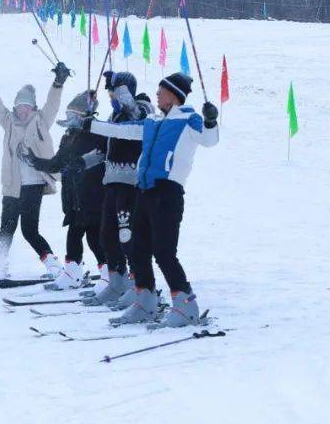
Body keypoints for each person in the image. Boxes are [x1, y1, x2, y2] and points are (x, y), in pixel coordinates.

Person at [86, 72, 219, 327]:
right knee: (137, 248)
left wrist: (211, 121)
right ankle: (145, 300)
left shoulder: (188, 119)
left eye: (161, 91)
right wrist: (90, 123)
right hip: (145, 191)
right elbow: (121, 130)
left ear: (174, 95)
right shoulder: (153, 122)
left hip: (167, 191)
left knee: (164, 252)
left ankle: (185, 306)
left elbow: (209, 140)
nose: (157, 95)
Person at [0, 58, 69, 279]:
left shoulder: (41, 120)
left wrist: (58, 83)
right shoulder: (8, 122)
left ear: (33, 108)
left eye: (26, 106)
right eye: (19, 106)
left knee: (29, 230)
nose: (22, 110)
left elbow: (52, 103)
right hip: (12, 184)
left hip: (34, 184)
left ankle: (53, 266)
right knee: (6, 227)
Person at [81, 71, 154, 307]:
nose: (110, 95)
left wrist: (119, 86)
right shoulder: (115, 114)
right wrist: (82, 162)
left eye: (113, 90)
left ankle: (138, 282)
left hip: (131, 183)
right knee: (106, 235)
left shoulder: (142, 108)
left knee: (128, 236)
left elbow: (134, 113)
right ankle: (116, 281)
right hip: (112, 182)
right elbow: (105, 149)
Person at [26, 91, 107, 290]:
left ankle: (105, 274)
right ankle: (76, 272)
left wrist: (81, 167)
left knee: (91, 237)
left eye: (73, 114)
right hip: (73, 196)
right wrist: (37, 162)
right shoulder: (68, 136)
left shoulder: (97, 133)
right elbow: (57, 163)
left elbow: (101, 158)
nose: (69, 119)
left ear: (83, 115)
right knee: (78, 234)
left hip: (92, 194)